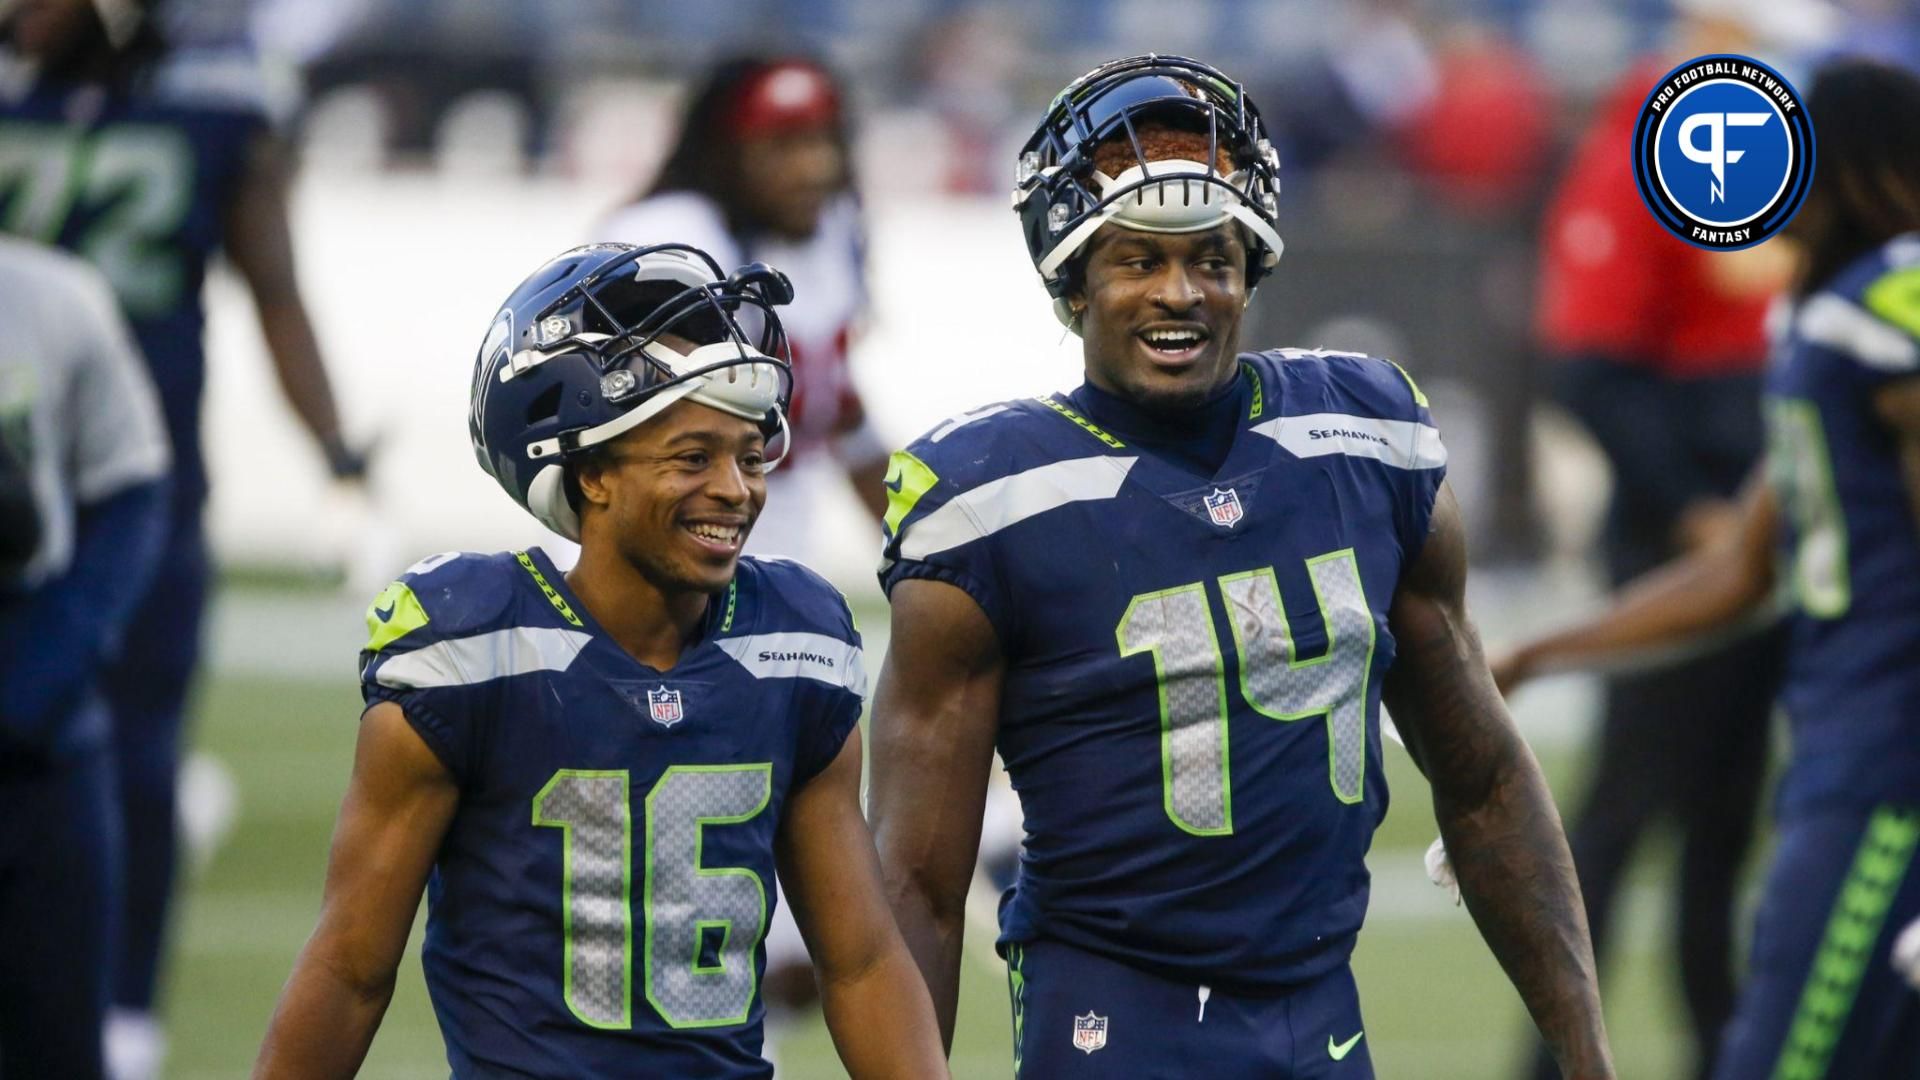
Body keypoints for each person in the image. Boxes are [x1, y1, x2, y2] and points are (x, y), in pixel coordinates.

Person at [867, 55, 1613, 1078]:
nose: (1181, 293)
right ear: (1073, 278)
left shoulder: (1364, 440)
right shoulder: (993, 498)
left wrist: (1585, 1053)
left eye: (1211, 258)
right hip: (1114, 1020)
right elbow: (915, 883)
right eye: (1137, 259)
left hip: (1321, 1015)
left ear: (1253, 266)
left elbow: (1482, 781)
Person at [252, 242, 947, 1078]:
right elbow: (351, 971)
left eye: (752, 456)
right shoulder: (476, 651)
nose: (736, 489)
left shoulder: (793, 646)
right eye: (692, 458)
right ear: (589, 474)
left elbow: (862, 960)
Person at [1496, 58, 1920, 1080]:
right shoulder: (1823, 318)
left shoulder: (1886, 303)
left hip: (1886, 775)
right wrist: (1539, 653)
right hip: (1846, 757)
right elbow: (1742, 564)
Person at [0, 4, 364, 1071]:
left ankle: (120, 1015)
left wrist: (338, 454)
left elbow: (276, 288)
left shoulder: (216, 109)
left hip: (129, 477)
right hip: (33, 458)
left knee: (126, 753)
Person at [1521, 12, 1797, 1076]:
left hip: (1763, 530)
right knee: (1624, 814)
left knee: (1725, 820)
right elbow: (1588, 360)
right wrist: (1691, 508)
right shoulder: (1653, 137)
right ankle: (1553, 1059)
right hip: (1690, 539)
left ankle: (1720, 1051)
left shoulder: (1767, 139)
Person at [599, 54, 889, 562]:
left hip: (768, 561)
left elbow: (837, 408)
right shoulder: (672, 236)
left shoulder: (828, 234)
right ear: (725, 154)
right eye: (785, 145)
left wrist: (929, 540)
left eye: (826, 141)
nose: (816, 167)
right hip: (657, 560)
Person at [0, 237, 170, 1078]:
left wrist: (45, 668)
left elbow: (131, 486)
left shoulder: (52, 296)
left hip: (36, 720)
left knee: (57, 1040)